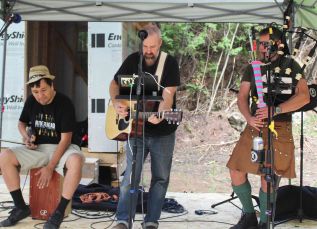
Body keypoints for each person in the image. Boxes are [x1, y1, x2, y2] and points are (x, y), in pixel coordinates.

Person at [226, 27, 310, 229]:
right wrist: (248, 118)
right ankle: (249, 217)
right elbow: (242, 96)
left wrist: (277, 109)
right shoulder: (253, 66)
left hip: (280, 127)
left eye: (265, 44)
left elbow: (304, 96)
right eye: (260, 43)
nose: (261, 48)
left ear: (278, 44)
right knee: (236, 170)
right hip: (255, 126)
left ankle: (264, 222)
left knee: (268, 177)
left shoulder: (292, 65)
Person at [109, 24, 180, 229]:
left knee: (160, 178)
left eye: (153, 47)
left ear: (160, 44)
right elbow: (114, 84)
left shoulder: (170, 63)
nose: (148, 51)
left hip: (163, 132)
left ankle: (151, 222)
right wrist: (116, 103)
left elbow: (168, 94)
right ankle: (123, 220)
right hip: (136, 129)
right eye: (145, 46)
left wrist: (161, 111)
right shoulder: (133, 60)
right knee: (130, 177)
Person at [0, 65, 84, 229]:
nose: (40, 96)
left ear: (52, 85)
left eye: (44, 90)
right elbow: (21, 123)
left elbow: (66, 139)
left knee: (76, 161)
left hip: (63, 147)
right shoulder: (31, 101)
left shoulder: (64, 103)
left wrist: (50, 166)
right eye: (36, 92)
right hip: (39, 149)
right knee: (4, 156)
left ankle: (58, 213)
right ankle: (20, 207)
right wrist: (26, 137)